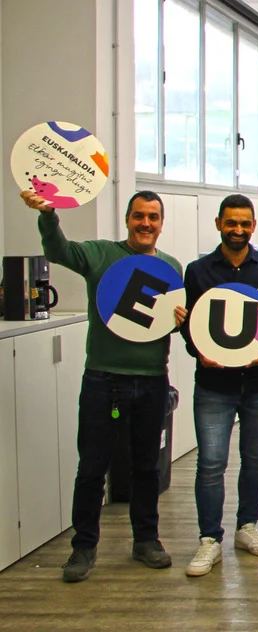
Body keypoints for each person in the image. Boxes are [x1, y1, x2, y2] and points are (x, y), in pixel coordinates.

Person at [21, 189, 182, 582]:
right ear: (127, 219)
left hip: (152, 380)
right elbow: (59, 251)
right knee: (93, 467)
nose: (146, 223)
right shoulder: (100, 254)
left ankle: (146, 540)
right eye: (139, 215)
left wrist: (181, 320)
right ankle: (83, 547)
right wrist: (48, 215)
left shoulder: (170, 267)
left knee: (146, 467)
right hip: (103, 379)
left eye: (153, 217)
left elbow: (171, 322)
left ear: (161, 223)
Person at [176, 194, 258, 577]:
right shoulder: (197, 271)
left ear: (253, 226)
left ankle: (246, 527)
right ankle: (210, 539)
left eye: (244, 223)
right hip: (213, 385)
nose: (237, 230)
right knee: (210, 463)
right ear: (218, 224)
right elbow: (189, 325)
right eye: (231, 223)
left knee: (255, 459)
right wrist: (198, 351)